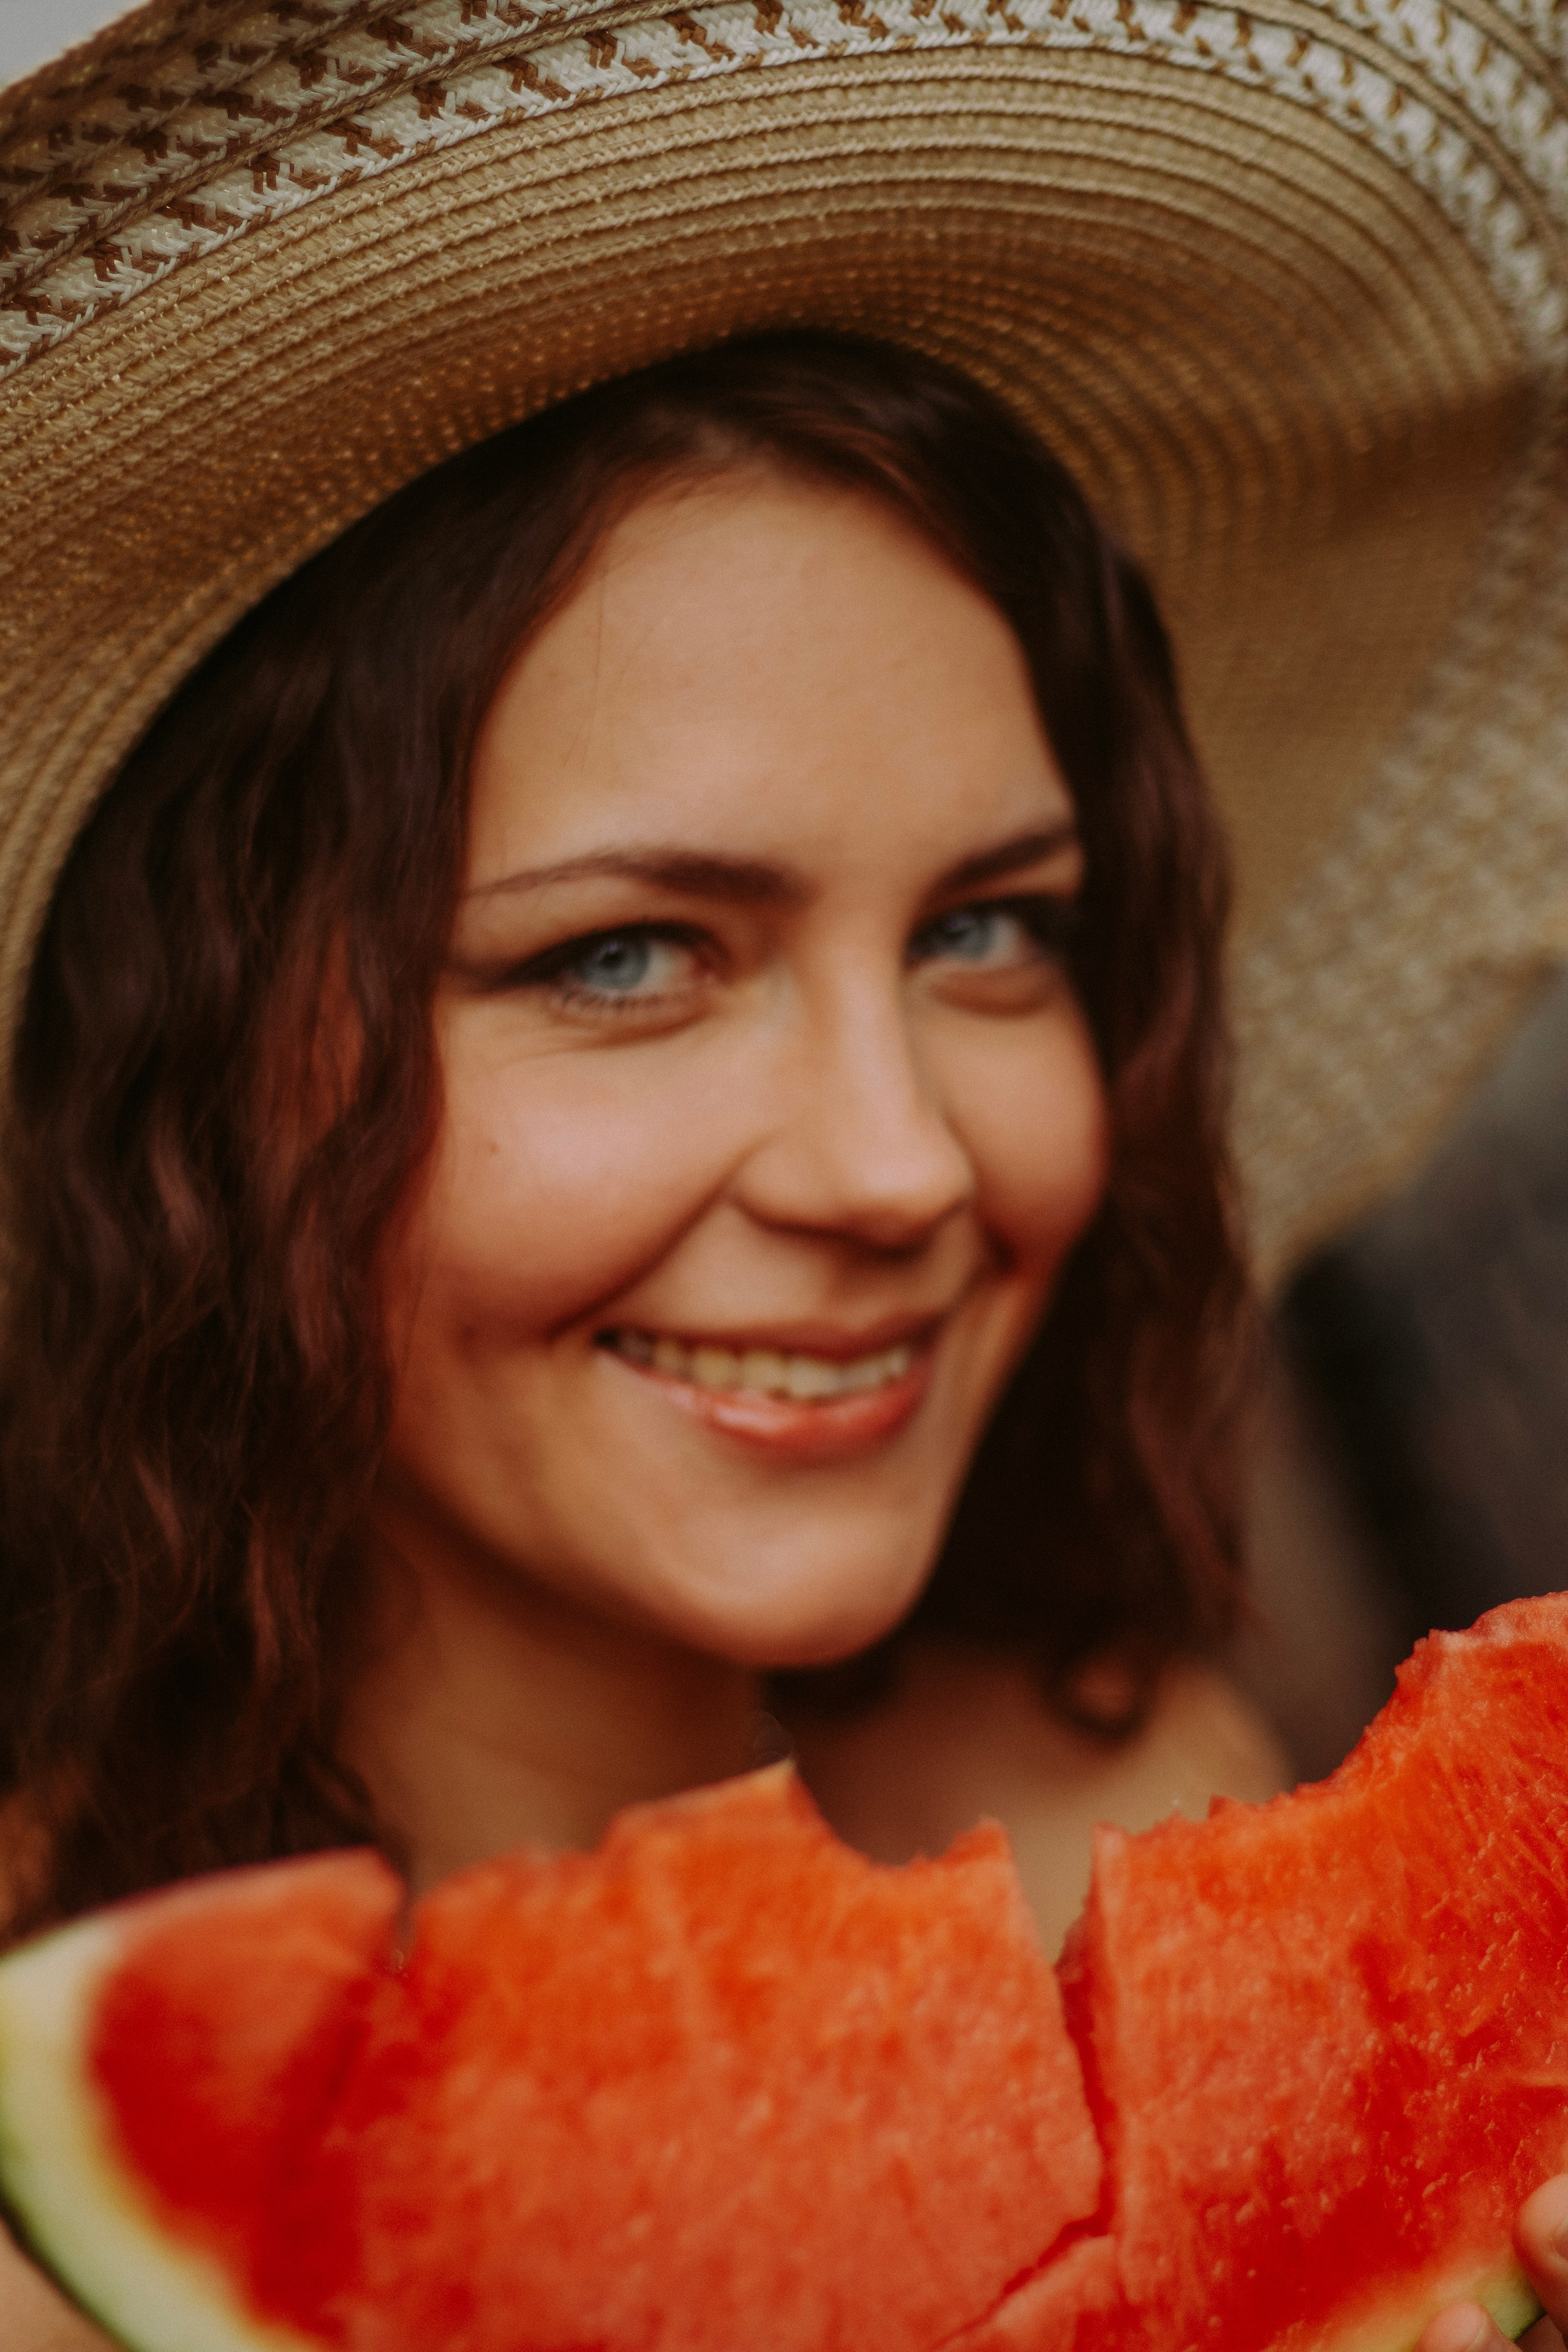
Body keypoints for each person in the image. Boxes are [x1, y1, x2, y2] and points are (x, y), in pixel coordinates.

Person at [0, 5, 1564, 2349]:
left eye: (987, 930)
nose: (897, 1156)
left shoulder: (1120, 1787)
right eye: (626, 955)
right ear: (186, 1066)